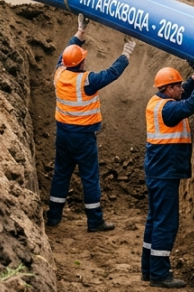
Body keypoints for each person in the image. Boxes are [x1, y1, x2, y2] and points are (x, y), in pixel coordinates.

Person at [46, 14, 136, 230]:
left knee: (61, 174)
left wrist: (80, 31)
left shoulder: (59, 73)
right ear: (81, 62)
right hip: (83, 138)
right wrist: (126, 53)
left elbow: (66, 53)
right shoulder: (86, 81)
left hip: (63, 135)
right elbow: (112, 73)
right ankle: (94, 221)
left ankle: (53, 217)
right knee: (89, 177)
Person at [141, 56, 194, 288]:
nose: (182, 89)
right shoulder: (169, 109)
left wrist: (193, 79)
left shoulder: (157, 101)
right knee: (166, 223)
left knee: (155, 220)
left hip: (157, 171)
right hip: (165, 173)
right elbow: (190, 105)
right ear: (168, 89)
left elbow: (183, 96)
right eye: (178, 86)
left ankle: (149, 269)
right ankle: (160, 274)